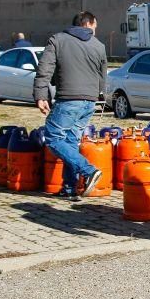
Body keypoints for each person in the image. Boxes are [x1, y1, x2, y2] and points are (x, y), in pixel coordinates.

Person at [33, 11, 108, 200]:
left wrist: (41, 95)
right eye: (95, 26)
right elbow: (102, 75)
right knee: (70, 142)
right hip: (89, 102)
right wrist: (100, 95)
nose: (95, 31)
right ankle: (69, 188)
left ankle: (88, 170)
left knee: (52, 138)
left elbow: (45, 68)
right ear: (89, 24)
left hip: (69, 99)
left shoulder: (57, 40)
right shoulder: (98, 45)